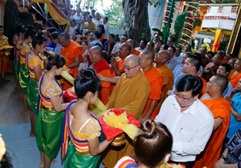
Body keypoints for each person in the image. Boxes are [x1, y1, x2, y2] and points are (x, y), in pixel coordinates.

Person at [155, 74, 214, 168]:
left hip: (180, 161)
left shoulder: (205, 118)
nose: (179, 99)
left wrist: (169, 144)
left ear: (196, 96)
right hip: (157, 152)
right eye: (177, 94)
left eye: (184, 97)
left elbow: (197, 147)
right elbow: (159, 121)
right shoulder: (170, 100)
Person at [102, 55, 150, 168]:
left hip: (128, 122)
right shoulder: (123, 77)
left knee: (123, 154)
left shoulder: (143, 83)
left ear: (138, 67)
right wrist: (107, 107)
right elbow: (114, 96)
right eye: (124, 67)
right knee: (111, 151)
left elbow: (136, 107)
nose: (125, 71)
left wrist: (115, 111)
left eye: (128, 68)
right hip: (114, 120)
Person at [62, 68, 113, 168]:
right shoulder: (91, 123)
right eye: (97, 93)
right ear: (90, 95)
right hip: (85, 162)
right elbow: (94, 151)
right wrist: (111, 137)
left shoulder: (71, 106)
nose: (98, 96)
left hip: (74, 153)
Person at [36, 51, 69, 168]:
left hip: (44, 112)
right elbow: (59, 107)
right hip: (52, 117)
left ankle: (43, 162)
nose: (63, 70)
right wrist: (74, 103)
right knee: (50, 144)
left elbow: (50, 98)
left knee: (43, 139)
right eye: (62, 68)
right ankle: (46, 164)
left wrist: (64, 93)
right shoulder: (52, 86)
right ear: (55, 68)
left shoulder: (44, 75)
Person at [194, 74, 230, 168]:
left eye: (210, 82)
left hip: (205, 146)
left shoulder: (222, 108)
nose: (207, 83)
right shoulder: (205, 96)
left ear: (217, 87)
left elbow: (208, 129)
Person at [26, 33, 46, 137]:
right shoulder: (36, 61)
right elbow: (39, 78)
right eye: (43, 46)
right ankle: (33, 131)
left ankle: (32, 129)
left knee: (32, 109)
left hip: (31, 83)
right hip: (36, 86)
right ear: (37, 46)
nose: (44, 48)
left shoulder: (30, 53)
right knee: (35, 109)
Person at [140, 50, 163, 119]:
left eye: (141, 59)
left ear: (149, 61)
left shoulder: (156, 77)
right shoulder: (139, 71)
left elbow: (155, 100)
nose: (138, 61)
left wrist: (146, 117)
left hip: (147, 112)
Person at [19, 27, 36, 113]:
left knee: (23, 89)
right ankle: (26, 108)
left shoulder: (23, 44)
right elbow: (27, 62)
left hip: (22, 68)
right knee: (26, 90)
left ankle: (24, 106)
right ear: (29, 37)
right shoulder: (27, 47)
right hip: (25, 70)